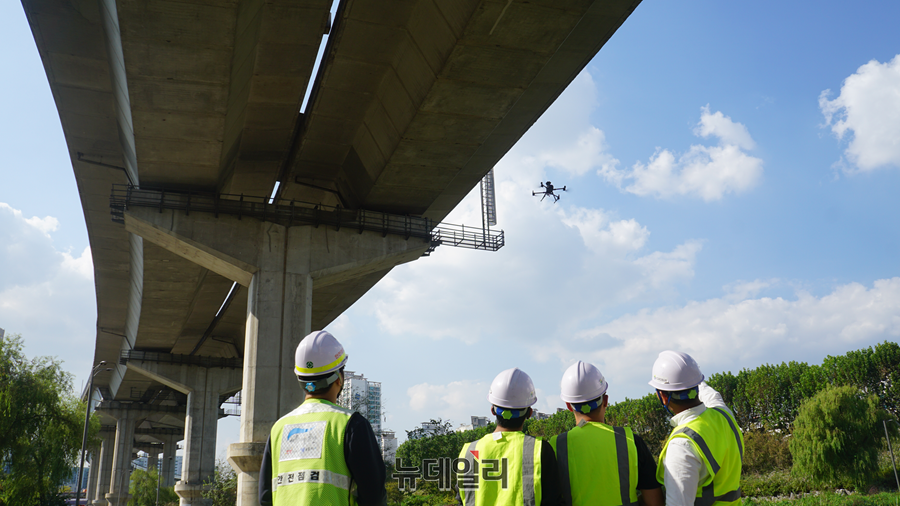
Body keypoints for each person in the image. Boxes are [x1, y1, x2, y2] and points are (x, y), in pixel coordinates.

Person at [259, 330, 387, 506]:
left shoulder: (279, 429)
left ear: (300, 379)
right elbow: (374, 496)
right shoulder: (351, 425)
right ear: (339, 379)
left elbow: (265, 498)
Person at [549, 361, 663, 506]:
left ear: (568, 406)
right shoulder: (631, 441)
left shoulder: (554, 446)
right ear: (606, 401)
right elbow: (655, 502)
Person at [649, 351, 743, 506]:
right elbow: (710, 394)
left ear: (663, 397)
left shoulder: (682, 444)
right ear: (697, 386)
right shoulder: (724, 415)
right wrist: (689, 372)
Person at [457, 367, 560, 506]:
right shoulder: (540, 450)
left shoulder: (468, 452)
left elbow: (462, 500)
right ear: (529, 413)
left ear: (493, 410)